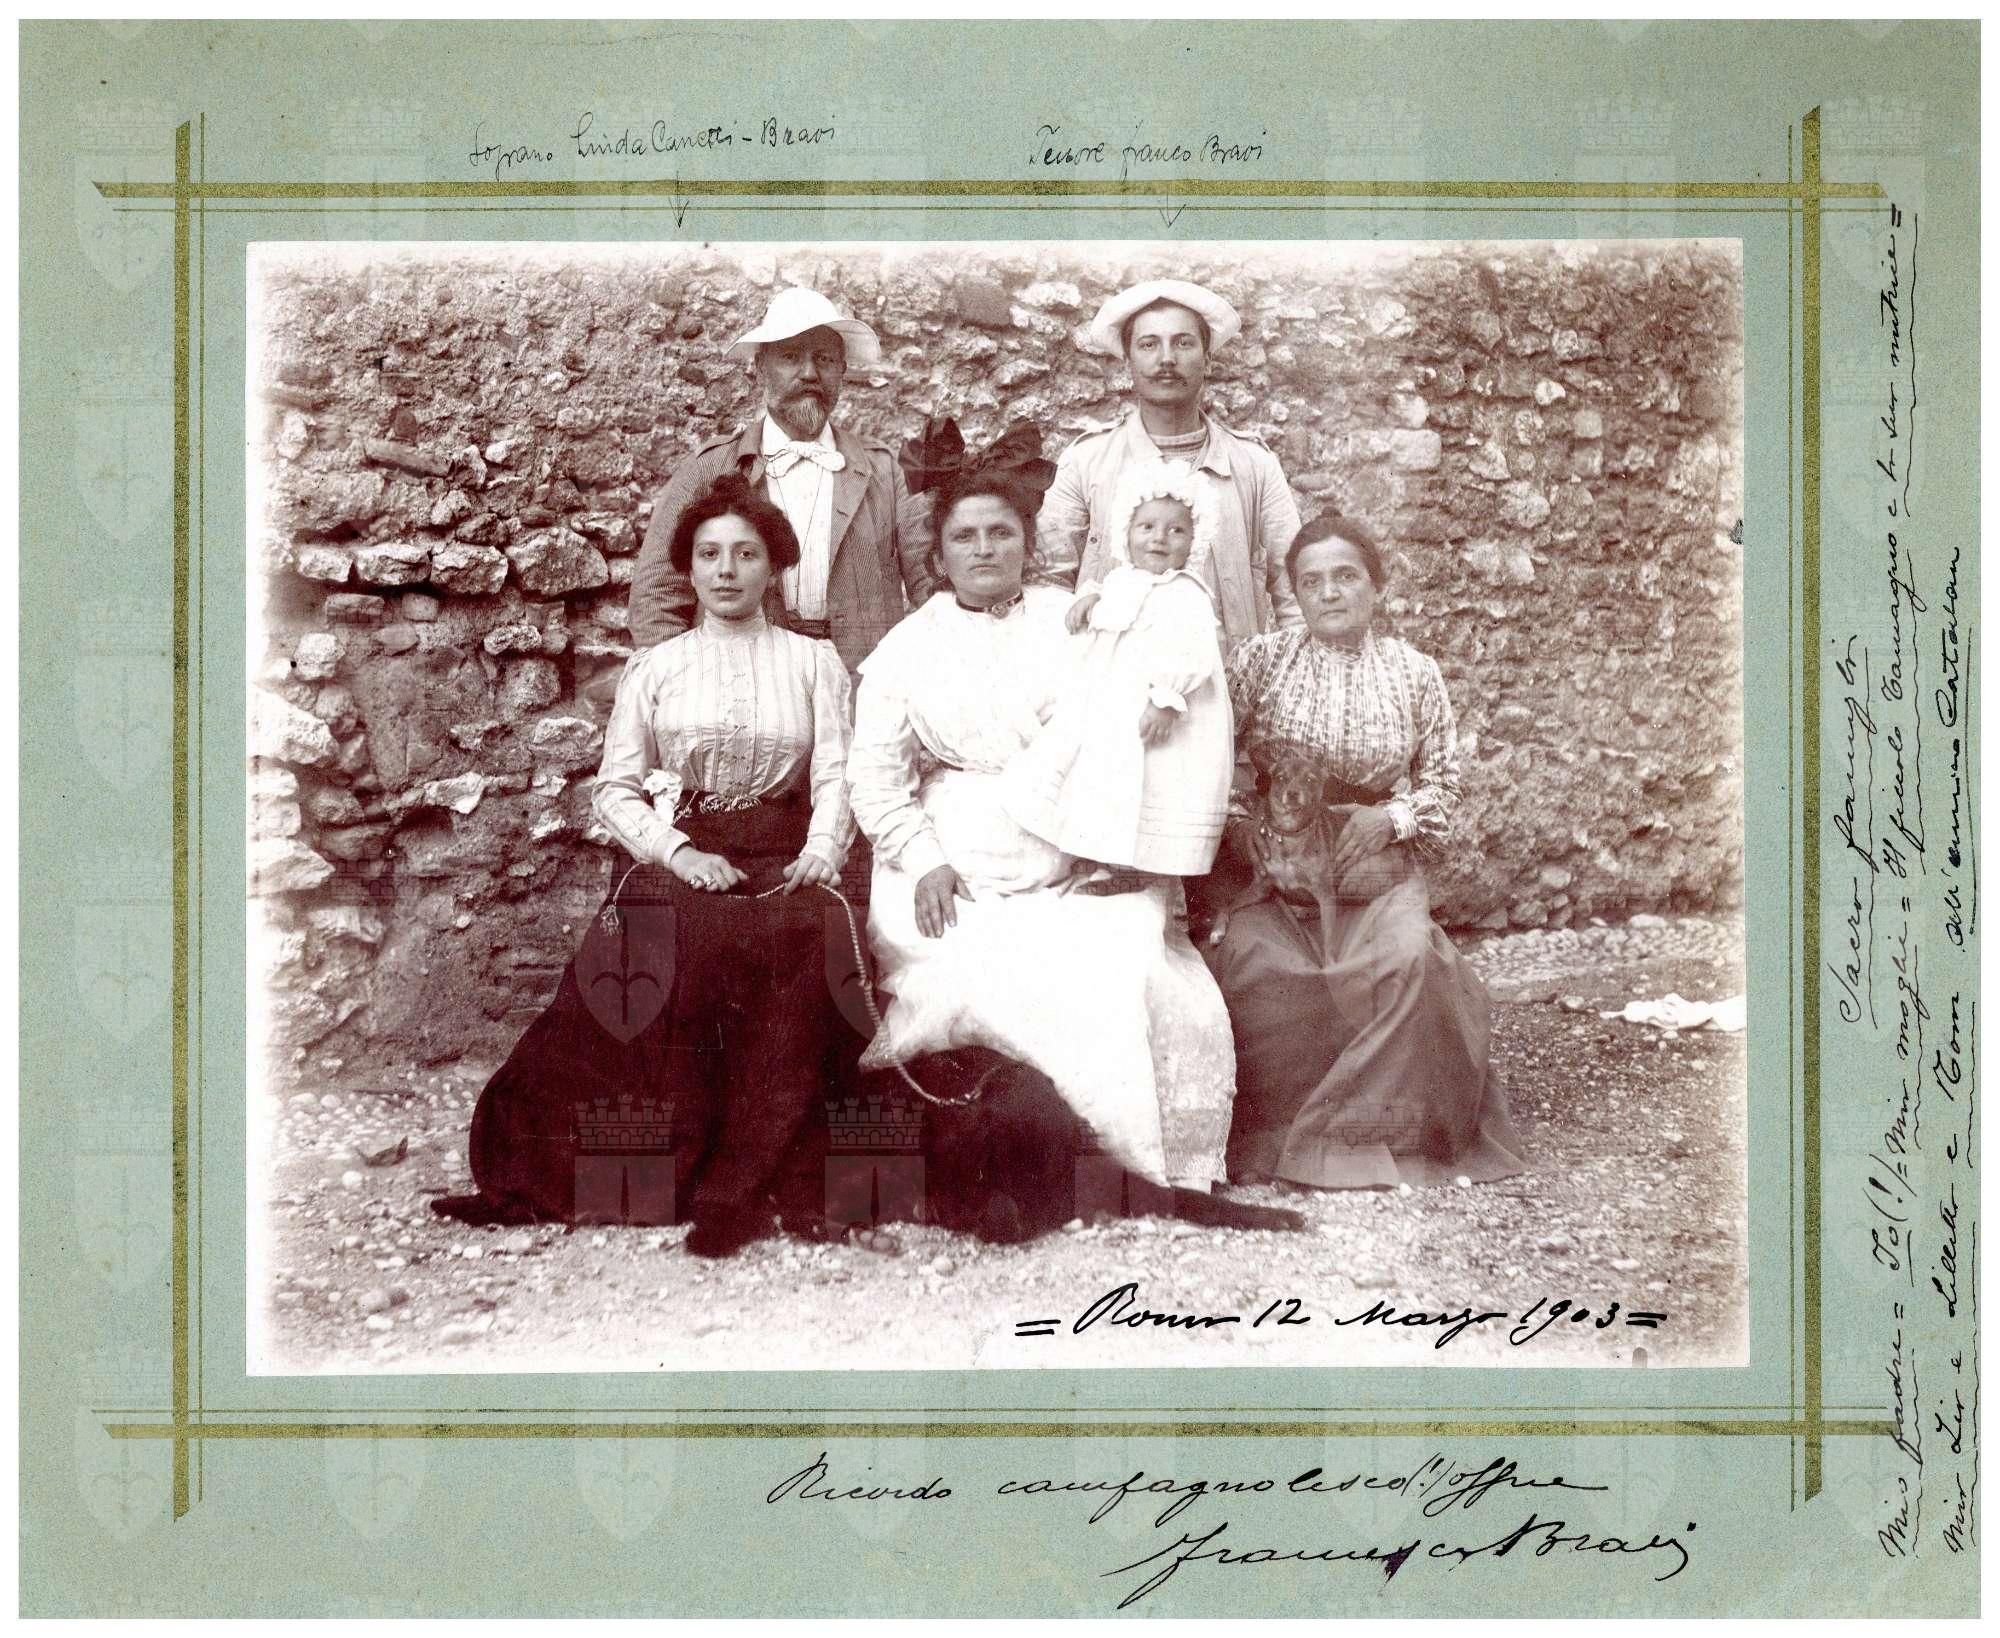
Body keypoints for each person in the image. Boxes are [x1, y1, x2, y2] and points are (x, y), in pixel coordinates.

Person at [434, 472, 862, 1257]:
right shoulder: (657, 667)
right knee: (657, 943)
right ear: (688, 568)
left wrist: (821, 852)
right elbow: (615, 790)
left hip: (783, 853)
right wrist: (681, 853)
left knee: (811, 938)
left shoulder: (814, 662)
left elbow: (837, 774)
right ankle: (647, 1175)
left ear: (774, 567)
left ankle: (750, 1182)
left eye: (746, 554)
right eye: (710, 554)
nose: (727, 570)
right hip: (687, 848)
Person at [845, 419, 1235, 1190]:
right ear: (938, 556)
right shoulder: (908, 646)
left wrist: (1113, 848)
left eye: (1001, 533)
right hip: (956, 855)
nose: (984, 550)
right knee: (968, 967)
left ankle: (1122, 1165)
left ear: (1028, 543)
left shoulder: (1084, 620)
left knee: (1119, 958)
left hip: (1078, 840)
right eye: (964, 537)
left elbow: (1143, 736)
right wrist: (923, 860)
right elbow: (875, 776)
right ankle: (1004, 1167)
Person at [1200, 512, 1527, 1190]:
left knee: (1411, 962)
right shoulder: (1261, 662)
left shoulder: (1415, 673)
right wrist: (1243, 826)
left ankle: (1379, 1138)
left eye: (1346, 576)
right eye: (1311, 580)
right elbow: (1205, 756)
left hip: (1374, 869)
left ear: (1376, 586)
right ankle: (1274, 1136)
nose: (1329, 592)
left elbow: (1445, 784)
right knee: (1256, 964)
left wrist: (1393, 816)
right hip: (1280, 872)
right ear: (1295, 591)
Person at [628, 285, 934, 677]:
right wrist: (685, 685)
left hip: (861, 685)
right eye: (790, 357)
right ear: (760, 367)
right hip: (740, 684)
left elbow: (932, 588)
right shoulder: (711, 468)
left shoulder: (886, 472)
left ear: (842, 370)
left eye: (824, 359)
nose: (809, 373)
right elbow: (657, 597)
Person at [1036, 278, 1303, 649]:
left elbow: (1295, 594)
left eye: (1183, 343)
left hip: (1229, 678)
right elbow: (1047, 585)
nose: (1167, 359)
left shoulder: (1255, 465)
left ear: (1207, 358)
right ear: (1128, 360)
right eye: (1149, 344)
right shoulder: (1086, 462)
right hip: (1114, 678)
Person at [1006, 460, 1232, 887]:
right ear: (1125, 533)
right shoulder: (1120, 581)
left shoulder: (1186, 594)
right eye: (1147, 527)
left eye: (1176, 530)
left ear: (1194, 540)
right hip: (1110, 705)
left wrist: (1166, 698)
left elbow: (1193, 653)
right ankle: (1095, 849)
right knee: (1101, 775)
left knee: (1152, 781)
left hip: (1158, 708)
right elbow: (1111, 606)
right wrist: (1089, 601)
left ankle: (1137, 865)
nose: (1159, 538)